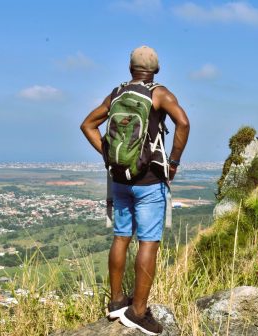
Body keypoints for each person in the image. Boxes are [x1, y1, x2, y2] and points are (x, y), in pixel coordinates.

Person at [80, 45, 190, 335]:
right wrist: (174, 161)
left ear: (131, 68)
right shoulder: (159, 93)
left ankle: (117, 301)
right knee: (148, 243)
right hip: (149, 181)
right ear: (156, 69)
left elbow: (87, 125)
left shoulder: (117, 93)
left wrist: (107, 153)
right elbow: (183, 122)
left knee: (121, 238)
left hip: (119, 179)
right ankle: (138, 312)